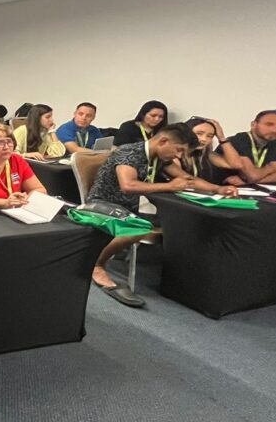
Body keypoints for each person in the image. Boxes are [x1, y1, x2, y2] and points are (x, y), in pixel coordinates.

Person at [87, 123, 237, 304]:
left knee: (177, 222)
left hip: (128, 208)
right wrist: (169, 186)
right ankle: (97, 265)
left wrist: (217, 189)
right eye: (179, 150)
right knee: (139, 229)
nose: (179, 156)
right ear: (163, 141)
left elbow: (187, 179)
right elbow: (128, 185)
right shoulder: (129, 152)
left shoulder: (158, 157)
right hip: (101, 204)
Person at [220, 109, 276, 185]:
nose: (274, 130)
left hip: (247, 187)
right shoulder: (238, 140)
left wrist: (247, 184)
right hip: (220, 188)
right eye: (269, 124)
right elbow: (252, 176)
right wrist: (269, 168)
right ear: (253, 125)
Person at [184, 117, 244, 184]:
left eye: (209, 136)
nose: (204, 139)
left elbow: (236, 165)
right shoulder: (176, 155)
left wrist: (221, 138)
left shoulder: (206, 154)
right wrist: (217, 188)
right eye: (199, 133)